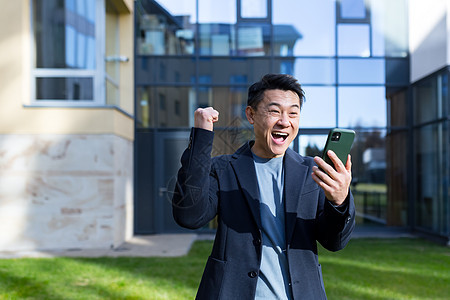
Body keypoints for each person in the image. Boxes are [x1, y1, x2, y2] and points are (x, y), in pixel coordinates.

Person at [172, 73, 355, 299]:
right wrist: (201, 137)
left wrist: (339, 201)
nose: (284, 121)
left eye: (293, 113)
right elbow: (189, 216)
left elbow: (334, 241)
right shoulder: (223, 169)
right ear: (251, 115)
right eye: (274, 111)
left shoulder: (313, 172)